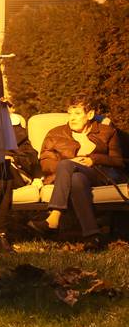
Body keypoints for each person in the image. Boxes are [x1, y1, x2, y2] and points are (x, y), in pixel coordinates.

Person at [28, 94, 126, 251]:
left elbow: (118, 161)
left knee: (69, 166)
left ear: (90, 115)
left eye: (77, 113)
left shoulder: (107, 132)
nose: (72, 118)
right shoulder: (55, 134)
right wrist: (71, 165)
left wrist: (94, 159)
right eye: (70, 113)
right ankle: (92, 236)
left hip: (99, 174)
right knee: (76, 178)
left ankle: (54, 216)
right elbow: (46, 163)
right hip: (68, 177)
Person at [0, 111, 40, 253]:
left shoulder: (18, 132)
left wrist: (13, 159)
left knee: (4, 166)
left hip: (16, 173)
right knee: (3, 177)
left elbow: (32, 156)